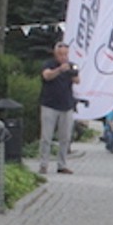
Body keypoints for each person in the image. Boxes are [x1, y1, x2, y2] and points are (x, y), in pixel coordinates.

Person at [36, 41, 79, 175]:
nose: (63, 57)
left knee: (65, 137)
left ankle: (62, 164)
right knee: (46, 137)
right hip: (49, 105)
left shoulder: (71, 65)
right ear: (55, 54)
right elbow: (47, 76)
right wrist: (59, 69)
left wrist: (71, 71)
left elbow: (77, 80)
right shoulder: (49, 64)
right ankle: (43, 164)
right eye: (60, 54)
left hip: (66, 105)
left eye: (65, 54)